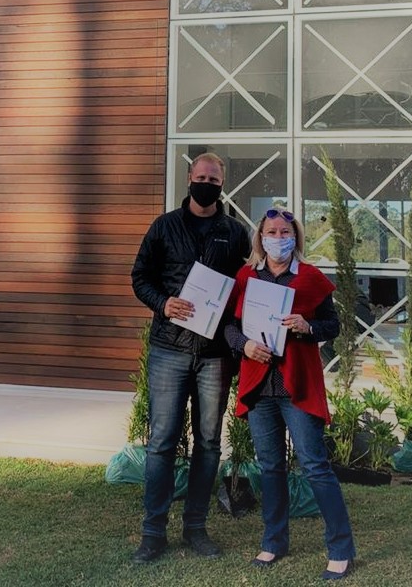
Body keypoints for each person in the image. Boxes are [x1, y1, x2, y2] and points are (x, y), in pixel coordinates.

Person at [130, 152, 251, 563]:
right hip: (169, 348)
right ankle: (153, 533)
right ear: (188, 178)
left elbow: (247, 283)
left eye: (214, 179)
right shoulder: (164, 226)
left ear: (222, 184)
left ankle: (196, 527)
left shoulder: (235, 232)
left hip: (215, 355)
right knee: (161, 442)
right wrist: (163, 303)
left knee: (210, 443)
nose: (206, 184)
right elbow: (139, 277)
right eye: (201, 177)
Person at [224, 207, 357, 581]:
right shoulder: (247, 277)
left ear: (295, 237)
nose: (278, 238)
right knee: (270, 467)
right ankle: (274, 541)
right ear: (260, 237)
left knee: (314, 465)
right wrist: (245, 346)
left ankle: (341, 548)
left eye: (285, 232)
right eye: (271, 232)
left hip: (296, 386)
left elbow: (332, 325)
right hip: (259, 387)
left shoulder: (310, 277)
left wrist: (307, 326)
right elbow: (230, 327)